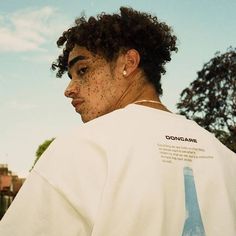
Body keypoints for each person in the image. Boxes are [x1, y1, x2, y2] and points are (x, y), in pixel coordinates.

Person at [0, 7, 235, 236]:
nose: (69, 89)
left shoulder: (80, 148)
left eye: (82, 70)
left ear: (128, 63)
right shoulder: (226, 159)